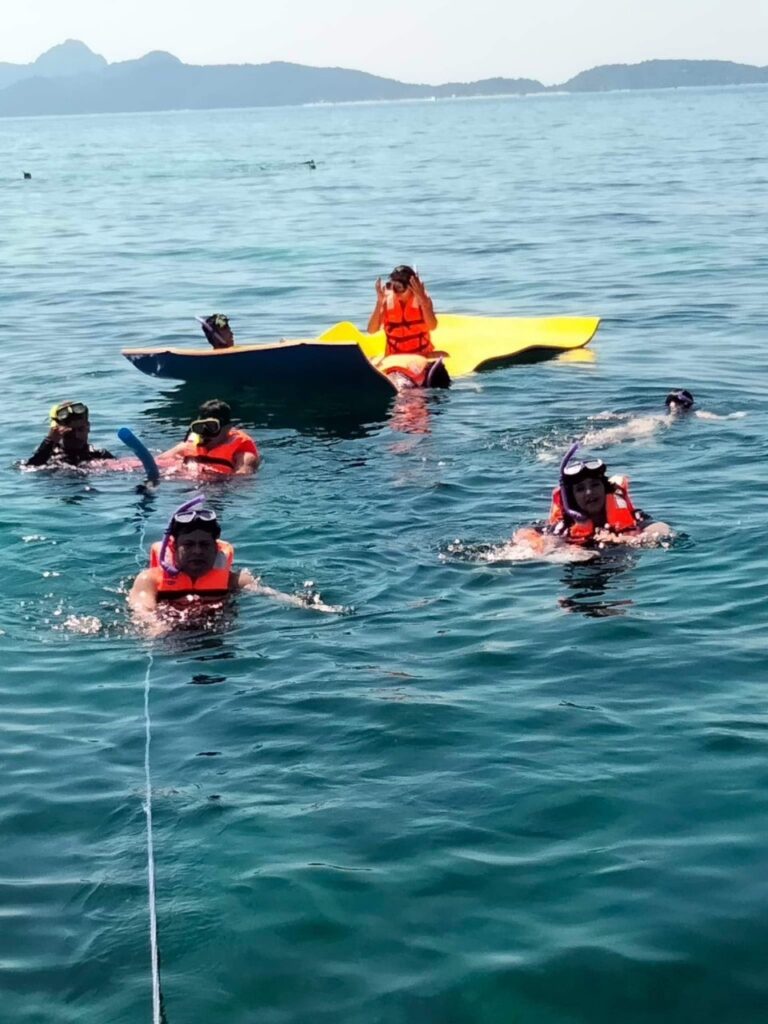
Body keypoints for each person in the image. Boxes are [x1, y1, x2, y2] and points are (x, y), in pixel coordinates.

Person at [128, 502, 341, 633]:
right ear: (174, 547)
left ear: (216, 548)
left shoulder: (234, 580)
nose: (197, 551)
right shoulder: (149, 580)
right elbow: (142, 610)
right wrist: (157, 628)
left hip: (217, 633)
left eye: (204, 545)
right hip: (171, 636)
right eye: (189, 545)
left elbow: (272, 596)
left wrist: (311, 608)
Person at [514, 445, 672, 552]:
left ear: (605, 489)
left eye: (595, 485)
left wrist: (629, 539)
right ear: (572, 498)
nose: (589, 493)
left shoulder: (633, 517)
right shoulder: (563, 527)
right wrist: (564, 550)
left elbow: (663, 529)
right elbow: (524, 534)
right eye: (580, 489)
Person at [157, 399, 259, 476]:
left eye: (211, 427)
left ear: (227, 428)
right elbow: (154, 464)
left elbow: (242, 480)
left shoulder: (244, 454)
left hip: (219, 492)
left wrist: (214, 481)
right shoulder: (187, 446)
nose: (204, 433)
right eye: (200, 427)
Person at [367, 265, 439, 359]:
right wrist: (379, 303)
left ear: (411, 287)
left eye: (399, 287)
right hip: (394, 357)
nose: (395, 292)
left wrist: (423, 301)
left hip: (421, 355)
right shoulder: (386, 301)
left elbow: (432, 326)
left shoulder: (422, 300)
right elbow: (371, 330)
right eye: (392, 286)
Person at [25, 401, 114, 468]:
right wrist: (49, 441)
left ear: (88, 427)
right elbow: (29, 468)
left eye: (80, 429)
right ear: (57, 433)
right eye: (70, 432)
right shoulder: (48, 455)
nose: (76, 435)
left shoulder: (99, 454)